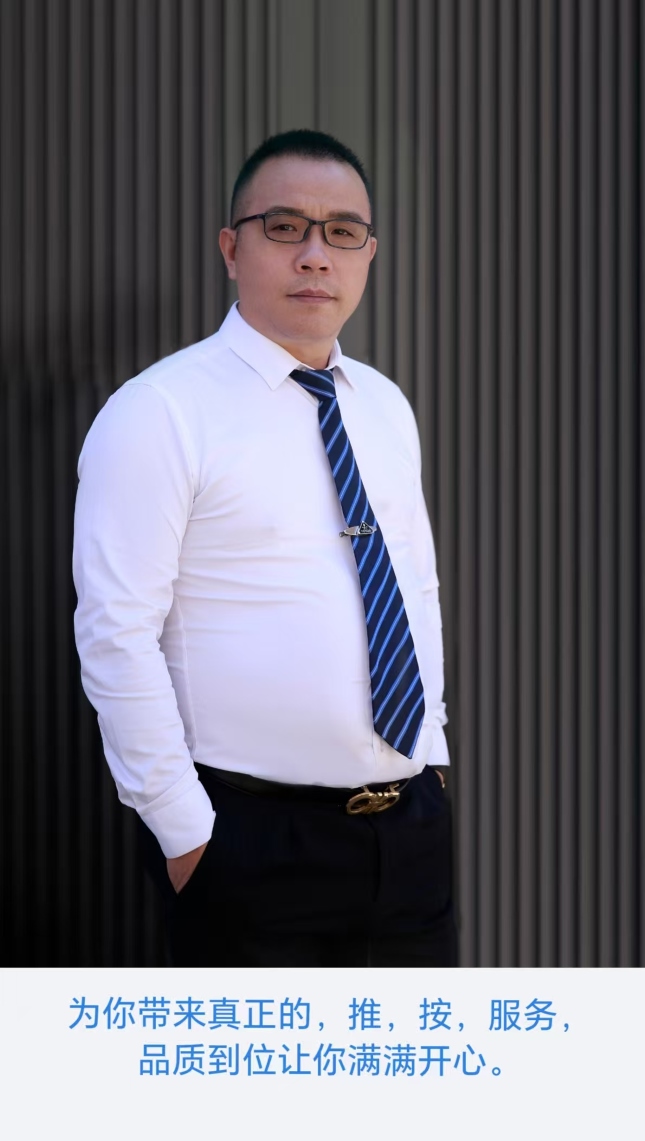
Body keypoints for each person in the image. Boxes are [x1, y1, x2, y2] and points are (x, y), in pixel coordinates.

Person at [73, 129, 456, 967]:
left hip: (410, 837)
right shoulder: (160, 412)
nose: (316, 254)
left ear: (368, 253)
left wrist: (432, 758)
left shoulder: (384, 405)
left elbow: (414, 589)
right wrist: (186, 833)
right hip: (249, 841)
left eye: (342, 231)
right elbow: (115, 633)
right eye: (285, 227)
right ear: (231, 247)